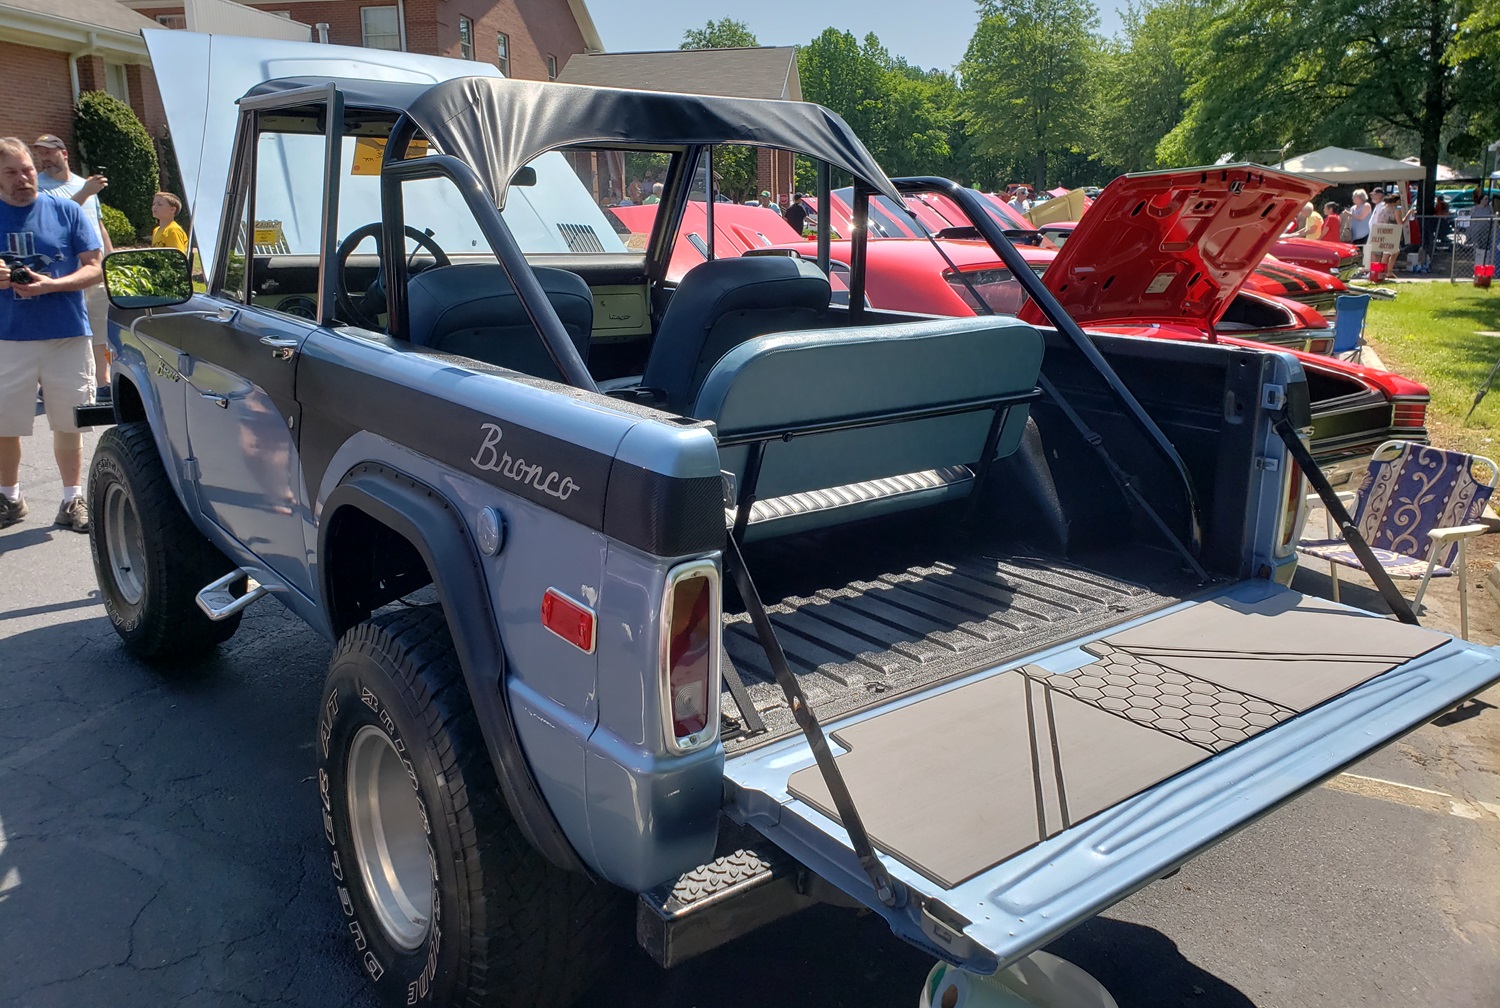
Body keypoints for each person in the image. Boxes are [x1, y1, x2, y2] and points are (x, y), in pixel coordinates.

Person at [0, 137, 102, 532]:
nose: (23, 178)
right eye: (11, 172)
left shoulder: (65, 210)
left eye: (27, 170)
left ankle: (72, 499)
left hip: (66, 334)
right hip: (8, 338)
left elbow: (94, 266)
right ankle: (9, 497)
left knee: (69, 421)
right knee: (5, 424)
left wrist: (51, 285)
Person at [32, 133, 112, 403]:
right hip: (63, 273)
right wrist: (85, 193)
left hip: (94, 269)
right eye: (39, 153)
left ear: (64, 154)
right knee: (64, 332)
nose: (43, 159)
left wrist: (111, 260)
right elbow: (55, 221)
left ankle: (103, 384)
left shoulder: (83, 184)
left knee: (100, 330)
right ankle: (50, 382)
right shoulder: (39, 189)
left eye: (48, 152)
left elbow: (98, 226)